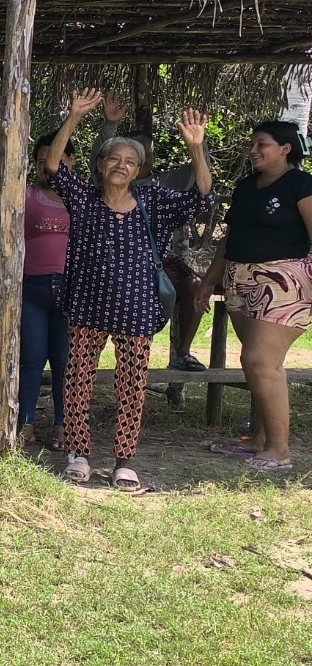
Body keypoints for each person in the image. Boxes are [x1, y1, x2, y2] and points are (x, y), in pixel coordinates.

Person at [43, 89, 213, 492]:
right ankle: (78, 453)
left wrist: (196, 148)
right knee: (78, 381)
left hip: (136, 309)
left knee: (133, 386)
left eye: (130, 162)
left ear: (138, 171)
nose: (122, 165)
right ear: (101, 165)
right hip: (87, 306)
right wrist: (74, 117)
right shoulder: (83, 198)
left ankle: (124, 461)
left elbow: (202, 196)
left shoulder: (153, 200)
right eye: (114, 159)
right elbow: (52, 166)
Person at [202, 120, 312, 473]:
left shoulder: (301, 184)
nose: (253, 150)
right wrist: (208, 282)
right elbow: (229, 238)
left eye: (261, 144)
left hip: (283, 280)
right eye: (253, 144)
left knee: (261, 360)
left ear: (285, 148)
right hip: (239, 278)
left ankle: (280, 451)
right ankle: (260, 440)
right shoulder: (246, 186)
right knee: (254, 362)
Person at [97, 93, 215, 373]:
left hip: (158, 258)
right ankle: (88, 358)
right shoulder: (107, 180)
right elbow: (100, 155)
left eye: (147, 153)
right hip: (111, 259)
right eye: (133, 153)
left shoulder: (165, 183)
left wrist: (197, 144)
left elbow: (202, 184)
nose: (143, 157)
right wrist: (110, 125)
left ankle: (182, 353)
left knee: (193, 284)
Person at [0, 138, 74, 450]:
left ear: (71, 161)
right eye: (43, 161)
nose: (49, 167)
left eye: (57, 160)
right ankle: (26, 423)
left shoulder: (82, 196)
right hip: (32, 289)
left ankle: (63, 425)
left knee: (64, 361)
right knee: (31, 359)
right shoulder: (26, 195)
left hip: (72, 291)